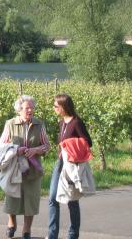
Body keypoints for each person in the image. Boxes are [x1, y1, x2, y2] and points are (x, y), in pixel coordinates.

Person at [0, 95, 50, 239]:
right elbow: (1, 144)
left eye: (32, 108)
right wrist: (16, 149)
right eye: (27, 108)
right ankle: (11, 222)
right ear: (19, 110)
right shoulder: (10, 124)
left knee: (31, 200)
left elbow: (47, 145)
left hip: (33, 168)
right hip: (15, 167)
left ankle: (26, 230)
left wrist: (36, 150)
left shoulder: (39, 124)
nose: (30, 110)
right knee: (12, 197)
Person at [47, 94, 92, 239]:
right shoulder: (62, 122)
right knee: (53, 198)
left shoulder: (76, 122)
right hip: (60, 162)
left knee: (72, 200)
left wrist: (69, 144)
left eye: (55, 106)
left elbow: (87, 142)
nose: (53, 108)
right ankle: (52, 235)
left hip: (72, 165)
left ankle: (73, 235)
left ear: (63, 107)